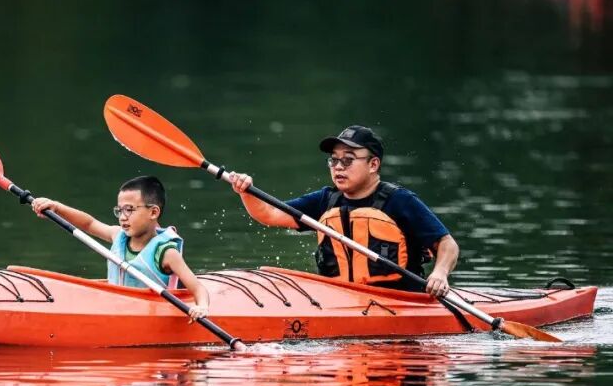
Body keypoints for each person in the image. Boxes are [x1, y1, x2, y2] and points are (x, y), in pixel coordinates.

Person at [228, 125, 459, 297]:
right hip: (340, 299)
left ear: (373, 164)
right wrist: (246, 192)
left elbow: (447, 244)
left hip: (401, 301)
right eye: (334, 161)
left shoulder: (400, 201)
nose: (338, 167)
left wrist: (440, 274)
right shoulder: (325, 200)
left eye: (348, 160)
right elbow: (268, 214)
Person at [30, 175, 211, 321]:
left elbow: (198, 289)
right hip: (114, 309)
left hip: (150, 315)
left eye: (129, 210)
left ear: (153, 212)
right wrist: (57, 208)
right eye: (119, 210)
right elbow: (89, 223)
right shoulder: (118, 235)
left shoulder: (166, 253)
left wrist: (201, 307)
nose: (123, 217)